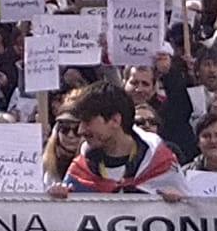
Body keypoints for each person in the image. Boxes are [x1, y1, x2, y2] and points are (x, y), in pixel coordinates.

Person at [50, 80, 185, 199]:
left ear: (115, 120)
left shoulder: (161, 162)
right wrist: (58, 200)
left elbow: (194, 212)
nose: (81, 131)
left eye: (87, 122)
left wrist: (179, 202)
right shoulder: (82, 169)